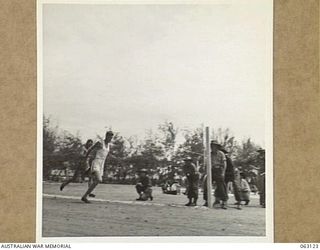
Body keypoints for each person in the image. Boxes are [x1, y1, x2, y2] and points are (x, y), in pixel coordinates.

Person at [81, 131, 114, 203]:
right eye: (109, 137)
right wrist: (86, 157)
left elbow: (105, 154)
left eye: (111, 137)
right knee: (99, 179)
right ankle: (85, 195)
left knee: (96, 180)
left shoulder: (108, 145)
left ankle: (85, 196)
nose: (110, 138)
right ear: (106, 136)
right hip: (96, 162)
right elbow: (90, 149)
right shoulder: (100, 142)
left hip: (102, 164)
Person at [210, 140, 228, 209]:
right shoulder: (210, 154)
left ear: (217, 147)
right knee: (207, 184)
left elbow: (224, 164)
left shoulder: (221, 154)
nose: (212, 147)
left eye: (214, 146)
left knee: (221, 186)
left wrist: (223, 172)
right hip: (212, 170)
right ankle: (207, 200)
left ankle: (224, 201)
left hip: (219, 170)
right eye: (211, 146)